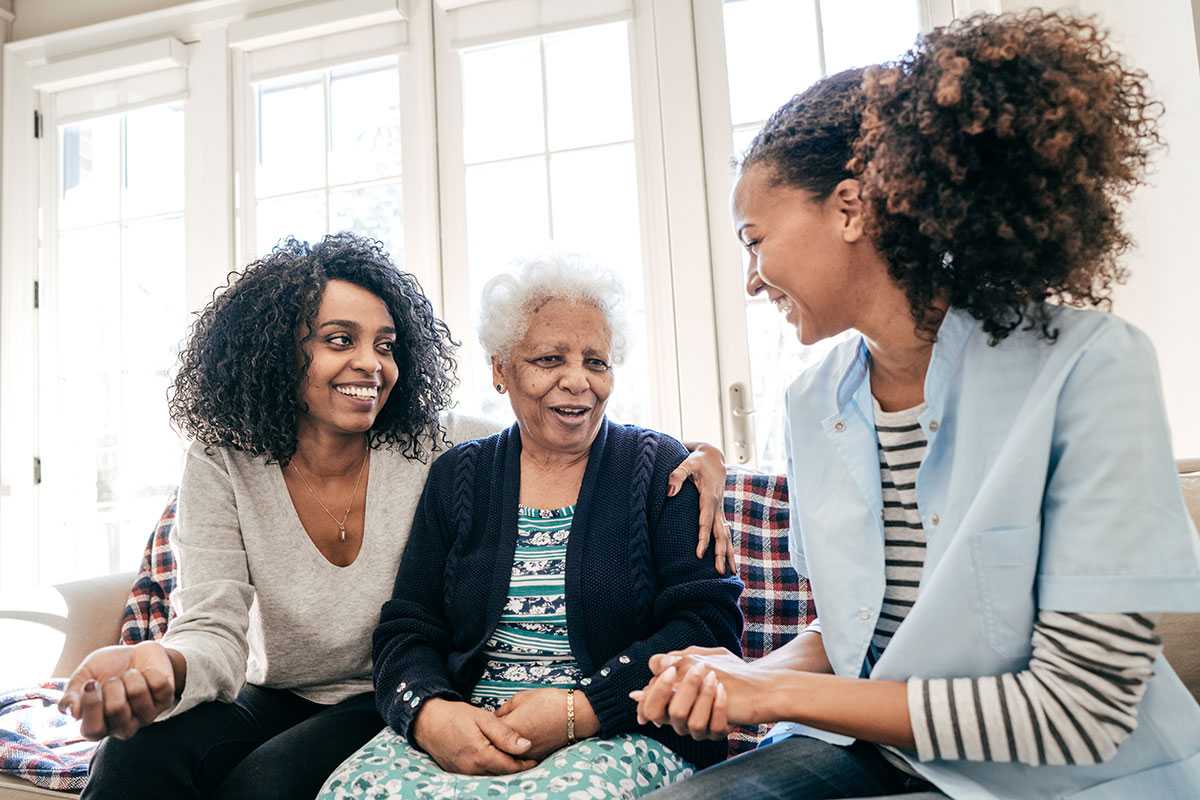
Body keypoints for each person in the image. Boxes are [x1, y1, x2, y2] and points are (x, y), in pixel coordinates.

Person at [634, 10, 1200, 800]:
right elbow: (854, 631)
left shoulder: (1090, 366)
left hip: (1063, 775)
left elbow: (1080, 712)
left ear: (849, 208)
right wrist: (738, 676)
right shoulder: (810, 401)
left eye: (755, 240)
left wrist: (775, 692)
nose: (752, 279)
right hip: (887, 752)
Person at [60, 234, 732, 800]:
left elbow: (566, 437)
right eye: (339, 340)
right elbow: (214, 630)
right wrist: (162, 663)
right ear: (275, 351)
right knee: (131, 759)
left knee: (263, 787)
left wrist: (702, 456)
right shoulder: (226, 463)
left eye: (384, 345)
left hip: (376, 696)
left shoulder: (435, 447)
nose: (370, 364)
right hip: (282, 688)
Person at [318, 254, 744, 799]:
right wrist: (430, 714)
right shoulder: (459, 475)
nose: (578, 381)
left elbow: (708, 626)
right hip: (473, 724)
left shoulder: (663, 469)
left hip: (621, 728)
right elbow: (408, 627)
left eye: (596, 362)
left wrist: (582, 709)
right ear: (500, 370)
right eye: (549, 359)